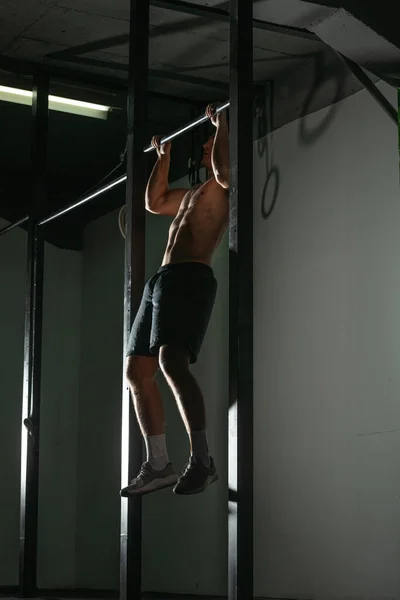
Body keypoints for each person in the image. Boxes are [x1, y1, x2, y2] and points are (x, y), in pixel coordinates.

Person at [120, 104, 229, 497]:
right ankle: (159, 463)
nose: (203, 145)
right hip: (162, 280)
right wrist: (163, 159)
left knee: (171, 362)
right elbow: (155, 201)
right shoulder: (193, 194)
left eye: (210, 141)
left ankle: (202, 460)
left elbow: (224, 169)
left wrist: (224, 126)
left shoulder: (223, 184)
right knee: (136, 372)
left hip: (190, 277)